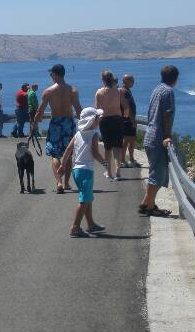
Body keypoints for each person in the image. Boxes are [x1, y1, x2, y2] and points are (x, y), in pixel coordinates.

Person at [30, 63, 83, 193]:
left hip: (55, 123)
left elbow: (40, 111)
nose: (50, 76)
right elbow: (78, 109)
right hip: (69, 123)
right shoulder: (73, 90)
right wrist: (85, 125)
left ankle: (59, 182)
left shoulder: (48, 91)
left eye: (51, 74)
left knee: (55, 154)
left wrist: (34, 125)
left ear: (54, 74)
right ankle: (67, 183)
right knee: (68, 154)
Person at [57, 107, 107, 237]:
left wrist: (62, 165)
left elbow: (68, 150)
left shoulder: (78, 134)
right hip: (86, 171)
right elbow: (95, 153)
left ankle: (91, 224)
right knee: (84, 200)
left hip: (76, 171)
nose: (99, 120)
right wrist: (105, 163)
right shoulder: (94, 134)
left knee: (87, 198)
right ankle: (75, 227)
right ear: (92, 120)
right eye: (97, 118)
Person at [140, 64, 179, 217]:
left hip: (149, 135)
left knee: (155, 172)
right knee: (157, 175)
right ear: (175, 78)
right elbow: (167, 114)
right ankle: (150, 207)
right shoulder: (168, 92)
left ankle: (146, 203)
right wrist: (167, 135)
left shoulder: (157, 89)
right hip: (158, 138)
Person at [95, 70, 126, 181]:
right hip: (117, 119)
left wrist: (95, 123)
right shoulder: (119, 91)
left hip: (105, 120)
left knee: (107, 148)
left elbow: (97, 109)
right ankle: (118, 170)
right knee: (117, 147)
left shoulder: (99, 92)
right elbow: (125, 106)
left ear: (102, 80)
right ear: (112, 79)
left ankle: (109, 172)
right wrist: (124, 116)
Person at [120, 73, 139, 167]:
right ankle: (124, 160)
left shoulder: (126, 91)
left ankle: (130, 159)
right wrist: (133, 120)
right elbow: (128, 107)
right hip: (127, 120)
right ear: (126, 81)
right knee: (128, 140)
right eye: (132, 80)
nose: (133, 82)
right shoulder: (125, 92)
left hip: (126, 119)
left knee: (130, 140)